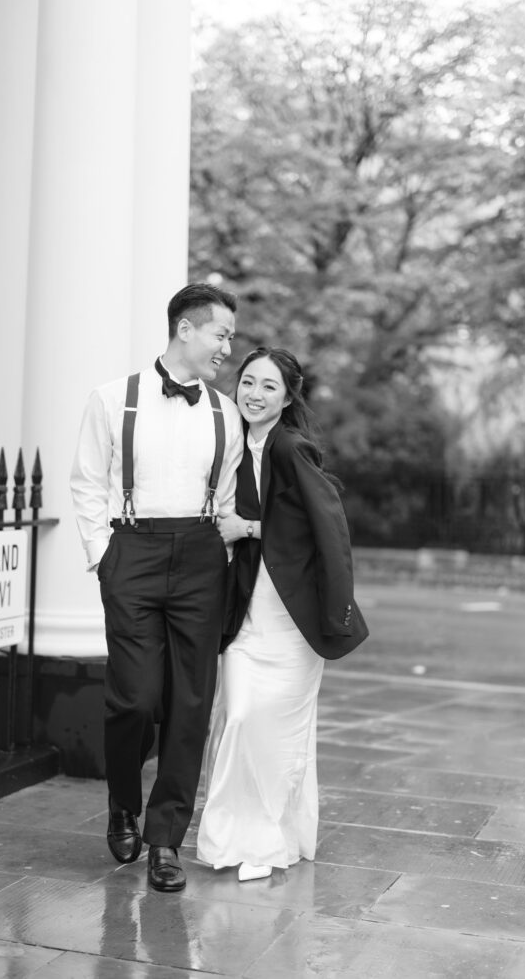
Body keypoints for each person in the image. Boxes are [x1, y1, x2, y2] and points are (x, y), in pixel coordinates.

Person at [70, 283, 243, 893]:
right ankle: (123, 801)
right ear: (186, 329)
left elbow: (225, 498)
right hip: (133, 553)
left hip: (200, 556)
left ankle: (165, 838)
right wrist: (105, 557)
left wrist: (219, 550)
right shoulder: (113, 399)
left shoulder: (227, 414)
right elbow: (87, 482)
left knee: (191, 705)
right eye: (221, 333)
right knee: (136, 698)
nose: (228, 346)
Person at [196, 346, 368, 881]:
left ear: (288, 395)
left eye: (269, 386)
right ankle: (234, 837)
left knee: (279, 732)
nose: (254, 394)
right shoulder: (229, 445)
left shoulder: (292, 448)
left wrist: (245, 528)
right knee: (239, 718)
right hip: (245, 615)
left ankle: (271, 841)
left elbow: (326, 528)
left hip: (292, 620)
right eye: (248, 382)